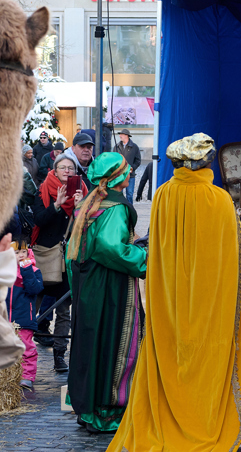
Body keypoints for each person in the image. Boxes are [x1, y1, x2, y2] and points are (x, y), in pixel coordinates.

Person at [108, 133, 241, 451]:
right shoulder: (218, 200)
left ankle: (168, 416)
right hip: (210, 299)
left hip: (169, 298)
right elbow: (235, 254)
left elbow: (156, 250)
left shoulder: (163, 196)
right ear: (206, 162)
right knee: (206, 356)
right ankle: (201, 420)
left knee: (170, 354)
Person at [65, 152, 147, 434]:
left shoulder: (89, 203)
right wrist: (142, 259)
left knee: (91, 343)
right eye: (126, 169)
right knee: (112, 342)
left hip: (88, 284)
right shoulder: (116, 206)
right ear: (118, 177)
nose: (130, 172)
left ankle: (88, 410)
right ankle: (106, 412)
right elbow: (109, 246)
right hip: (110, 285)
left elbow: (71, 253)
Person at [31, 154, 87, 371]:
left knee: (64, 309)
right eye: (62, 167)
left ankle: (59, 355)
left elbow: (88, 225)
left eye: (71, 168)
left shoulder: (83, 190)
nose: (67, 171)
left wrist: (81, 208)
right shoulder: (43, 189)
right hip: (46, 255)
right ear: (54, 170)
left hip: (69, 257)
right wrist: (56, 205)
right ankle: (25, 354)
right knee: (33, 304)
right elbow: (38, 220)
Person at [6, 240, 44, 391]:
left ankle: (27, 376)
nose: (21, 255)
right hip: (4, 318)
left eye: (23, 252)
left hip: (23, 318)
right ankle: (7, 375)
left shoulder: (34, 270)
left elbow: (34, 289)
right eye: (16, 252)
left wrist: (26, 270)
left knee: (26, 347)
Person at [113, 128, 141, 204]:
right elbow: (113, 160)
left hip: (130, 176)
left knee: (129, 195)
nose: (120, 136)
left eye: (121, 134)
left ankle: (130, 210)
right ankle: (120, 209)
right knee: (119, 194)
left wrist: (133, 168)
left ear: (126, 136)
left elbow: (138, 160)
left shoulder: (134, 147)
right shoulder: (116, 146)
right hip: (119, 176)